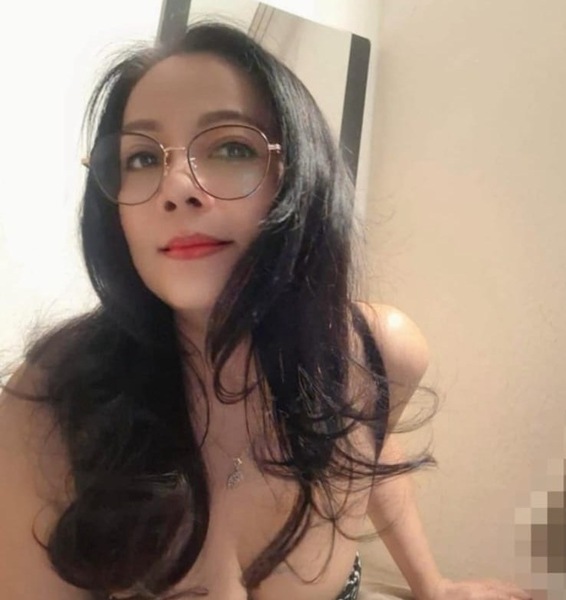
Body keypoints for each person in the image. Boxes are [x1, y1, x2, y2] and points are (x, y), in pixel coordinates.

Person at [0, 21, 531, 600]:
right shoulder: (49, 404)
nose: (175, 185)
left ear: (299, 176)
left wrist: (433, 585)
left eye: (232, 148)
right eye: (142, 158)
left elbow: (370, 443)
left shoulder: (378, 353)